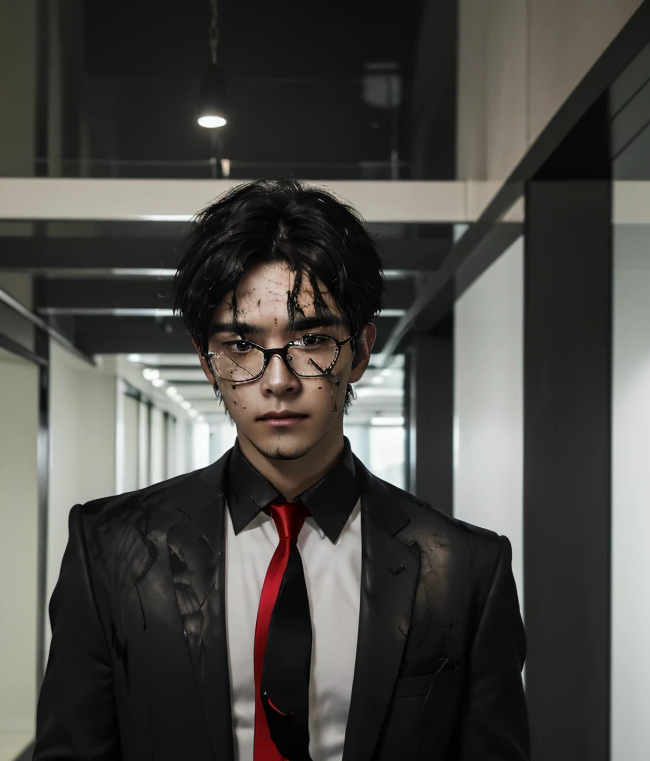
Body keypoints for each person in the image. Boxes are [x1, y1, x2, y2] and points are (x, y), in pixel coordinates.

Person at [34, 179, 529, 761]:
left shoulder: (467, 567)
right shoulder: (110, 551)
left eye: (312, 340)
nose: (278, 380)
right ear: (206, 360)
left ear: (362, 350)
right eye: (242, 346)